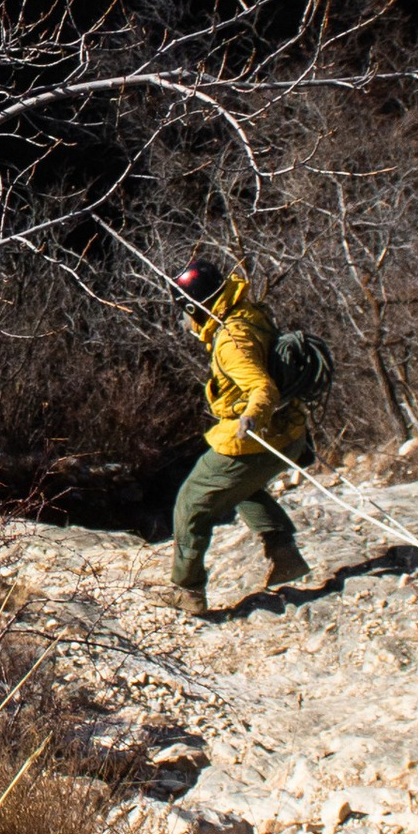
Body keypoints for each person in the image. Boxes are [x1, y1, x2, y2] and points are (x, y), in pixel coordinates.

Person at [167, 253, 308, 616]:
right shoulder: (248, 312)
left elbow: (261, 387)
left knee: (191, 502)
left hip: (258, 435)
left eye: (184, 311)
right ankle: (284, 554)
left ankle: (187, 593)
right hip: (289, 432)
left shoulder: (230, 341)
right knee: (241, 487)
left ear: (195, 306)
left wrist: (251, 417)